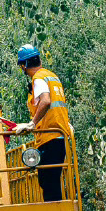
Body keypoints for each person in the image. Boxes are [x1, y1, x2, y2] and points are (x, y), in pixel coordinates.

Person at [16, 44, 71, 202]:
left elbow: (46, 101)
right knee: (51, 181)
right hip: (59, 134)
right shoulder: (51, 76)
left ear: (24, 65)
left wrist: (32, 123)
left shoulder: (38, 78)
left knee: (48, 182)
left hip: (50, 137)